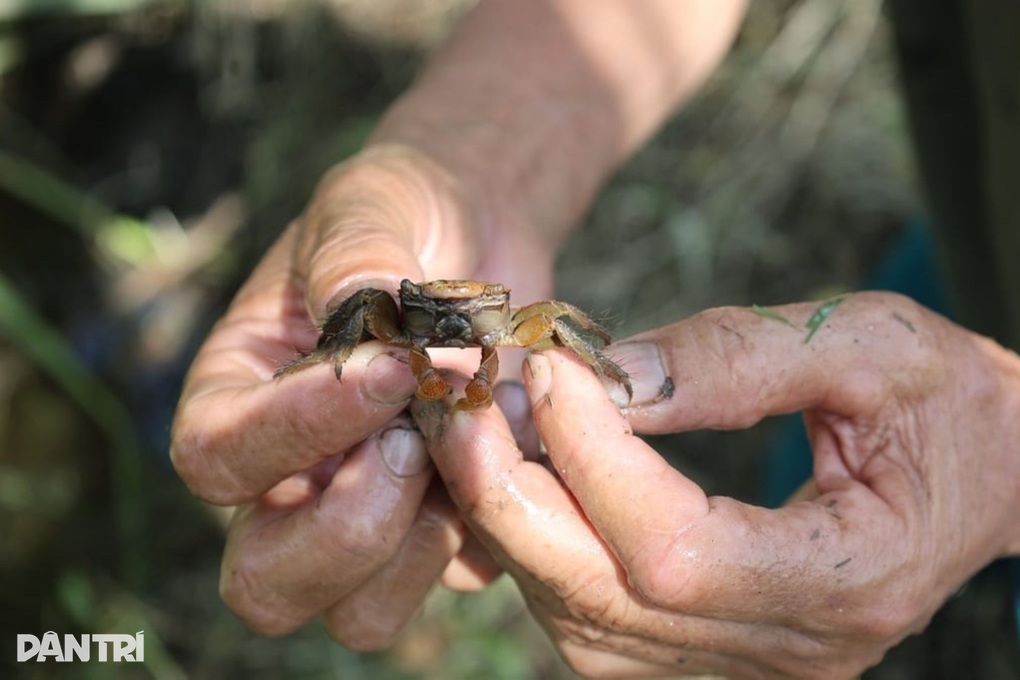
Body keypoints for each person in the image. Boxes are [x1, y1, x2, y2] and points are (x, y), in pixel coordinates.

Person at [170, 1, 1020, 676]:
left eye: (480, 310)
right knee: (820, 480)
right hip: (963, 269)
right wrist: (464, 165)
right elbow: (366, 310)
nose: (464, 323)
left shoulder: (512, 324)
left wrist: (1002, 454)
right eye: (443, 308)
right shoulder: (410, 311)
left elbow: (551, 325)